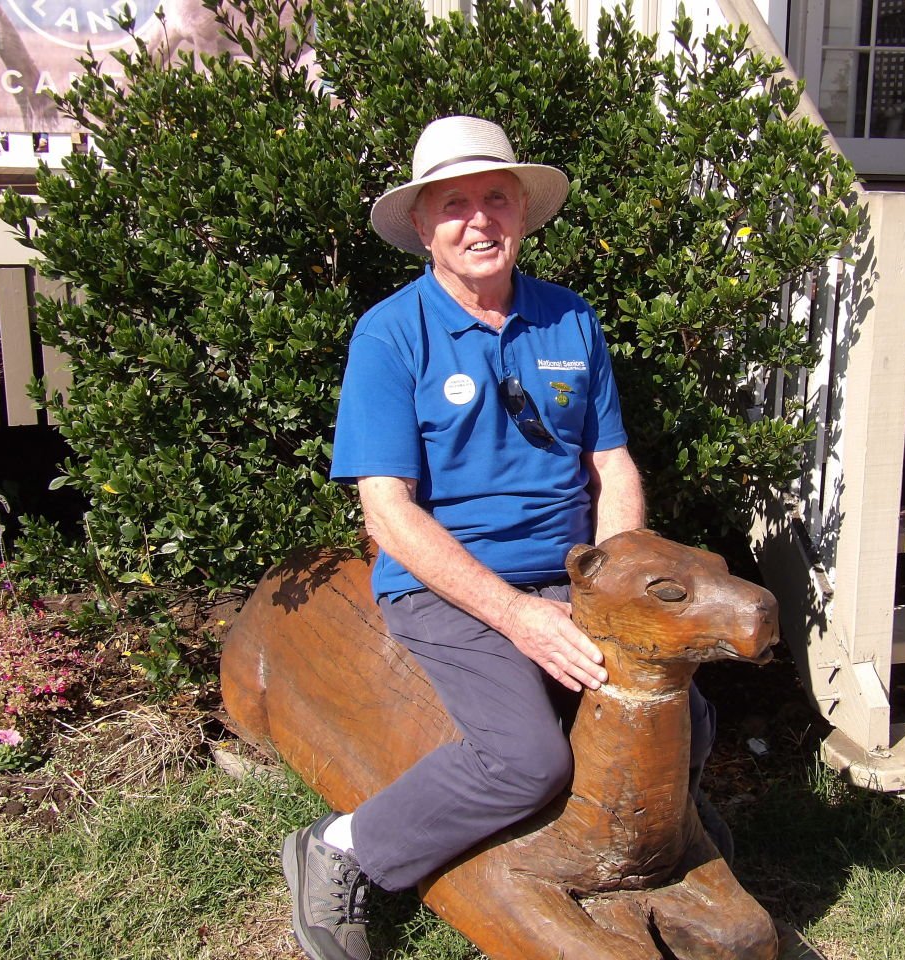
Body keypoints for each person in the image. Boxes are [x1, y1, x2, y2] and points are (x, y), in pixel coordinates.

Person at [281, 115, 723, 960]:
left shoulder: (570, 320)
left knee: (689, 724)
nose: (478, 220)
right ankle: (341, 850)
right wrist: (519, 616)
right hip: (448, 584)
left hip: (572, 576)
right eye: (454, 205)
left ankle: (657, 843)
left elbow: (614, 468)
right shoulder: (389, 333)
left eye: (495, 198)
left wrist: (611, 590)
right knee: (526, 761)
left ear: (523, 212)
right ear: (422, 226)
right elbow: (388, 512)